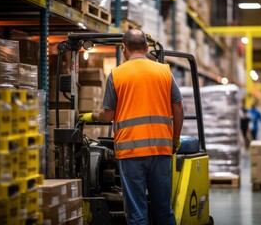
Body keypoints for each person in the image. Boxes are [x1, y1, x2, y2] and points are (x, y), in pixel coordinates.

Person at [78, 29, 184, 225]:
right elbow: (178, 108)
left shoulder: (117, 74)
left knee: (137, 213)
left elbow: (108, 115)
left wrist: (89, 115)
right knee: (163, 210)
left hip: (131, 152)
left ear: (124, 49)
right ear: (146, 47)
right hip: (161, 151)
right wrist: (175, 139)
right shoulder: (164, 71)